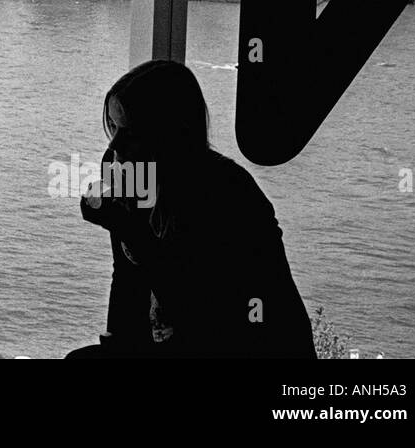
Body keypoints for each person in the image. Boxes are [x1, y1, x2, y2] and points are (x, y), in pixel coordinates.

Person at [68, 59, 315, 358]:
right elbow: (128, 279)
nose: (114, 146)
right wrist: (118, 345)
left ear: (167, 135)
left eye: (129, 132)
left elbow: (201, 312)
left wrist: (128, 230)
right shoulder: (134, 177)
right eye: (113, 127)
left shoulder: (226, 193)